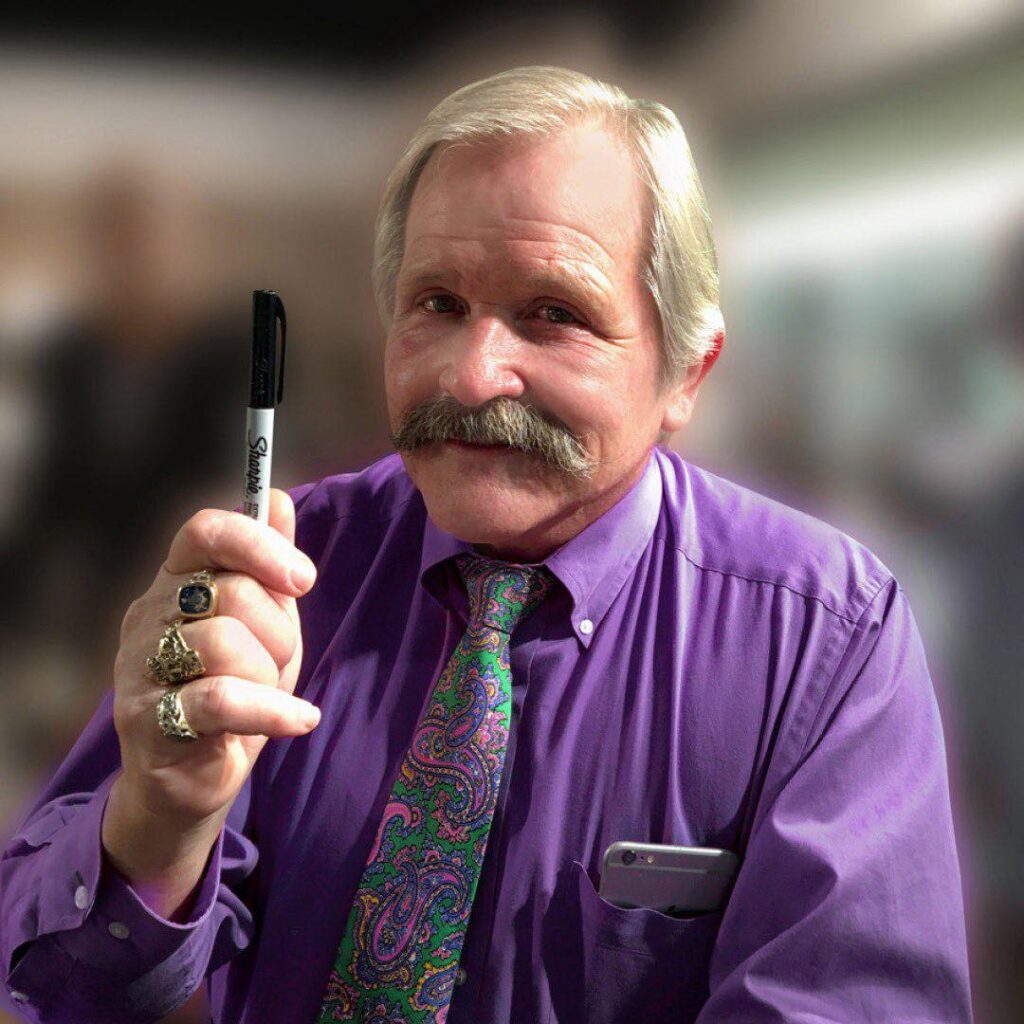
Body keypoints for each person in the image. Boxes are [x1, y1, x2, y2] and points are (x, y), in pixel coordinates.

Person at [0, 66, 972, 1024]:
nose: (471, 377)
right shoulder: (286, 568)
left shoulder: (823, 638)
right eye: (438, 305)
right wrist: (157, 824)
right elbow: (48, 982)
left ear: (686, 372)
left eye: (554, 314)